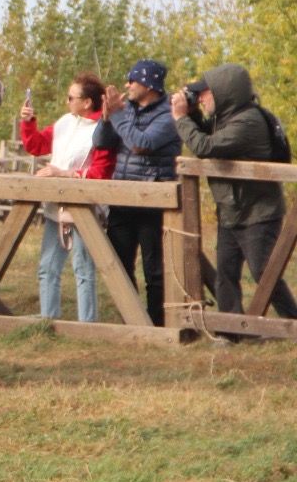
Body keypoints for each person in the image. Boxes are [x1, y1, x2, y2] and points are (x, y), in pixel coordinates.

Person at [172, 65, 297, 319]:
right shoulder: (227, 118)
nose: (202, 98)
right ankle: (230, 331)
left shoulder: (248, 122)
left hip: (258, 211)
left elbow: (205, 145)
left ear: (224, 93)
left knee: (264, 272)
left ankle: (292, 321)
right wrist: (194, 114)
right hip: (232, 207)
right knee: (226, 273)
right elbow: (208, 132)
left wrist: (182, 118)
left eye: (205, 93)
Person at [91, 59, 180, 326]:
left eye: (133, 80)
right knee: (119, 265)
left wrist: (117, 116)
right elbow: (100, 143)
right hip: (123, 198)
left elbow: (142, 144)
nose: (127, 85)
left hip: (153, 201)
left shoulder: (168, 115)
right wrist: (107, 119)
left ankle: (157, 323)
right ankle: (132, 319)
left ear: (149, 84)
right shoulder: (124, 108)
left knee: (154, 269)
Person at [19, 73, 114, 322]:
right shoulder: (65, 122)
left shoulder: (102, 130)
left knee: (83, 269)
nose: (67, 101)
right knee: (47, 268)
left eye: (71, 97)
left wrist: (63, 173)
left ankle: (87, 326)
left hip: (85, 208)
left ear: (87, 102)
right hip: (56, 206)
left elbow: (100, 172)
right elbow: (36, 145)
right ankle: (47, 322)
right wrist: (29, 122)